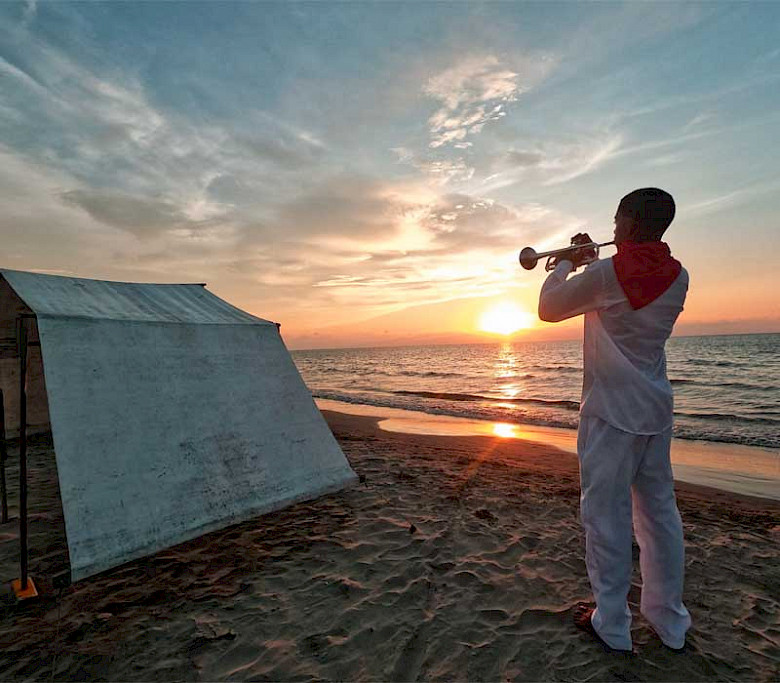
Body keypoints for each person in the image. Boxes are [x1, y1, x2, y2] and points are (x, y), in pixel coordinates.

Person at [537, 188, 691, 653]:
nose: (614, 228)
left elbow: (549, 307)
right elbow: (624, 290)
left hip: (609, 414)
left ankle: (612, 624)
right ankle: (669, 622)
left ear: (626, 220)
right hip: (654, 411)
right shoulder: (680, 276)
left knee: (606, 517)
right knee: (660, 516)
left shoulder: (608, 273)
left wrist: (566, 260)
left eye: (617, 220)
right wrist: (591, 262)